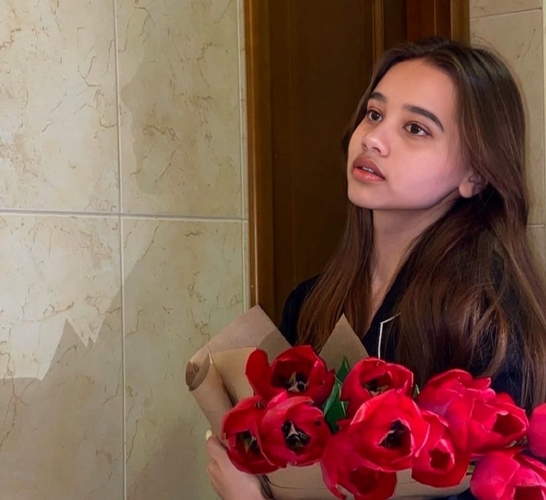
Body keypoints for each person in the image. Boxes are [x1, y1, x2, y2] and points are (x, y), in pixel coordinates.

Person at [205, 36, 546, 500]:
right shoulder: (311, 303)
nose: (373, 139)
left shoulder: (488, 319)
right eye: (374, 113)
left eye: (416, 129)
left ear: (476, 174)